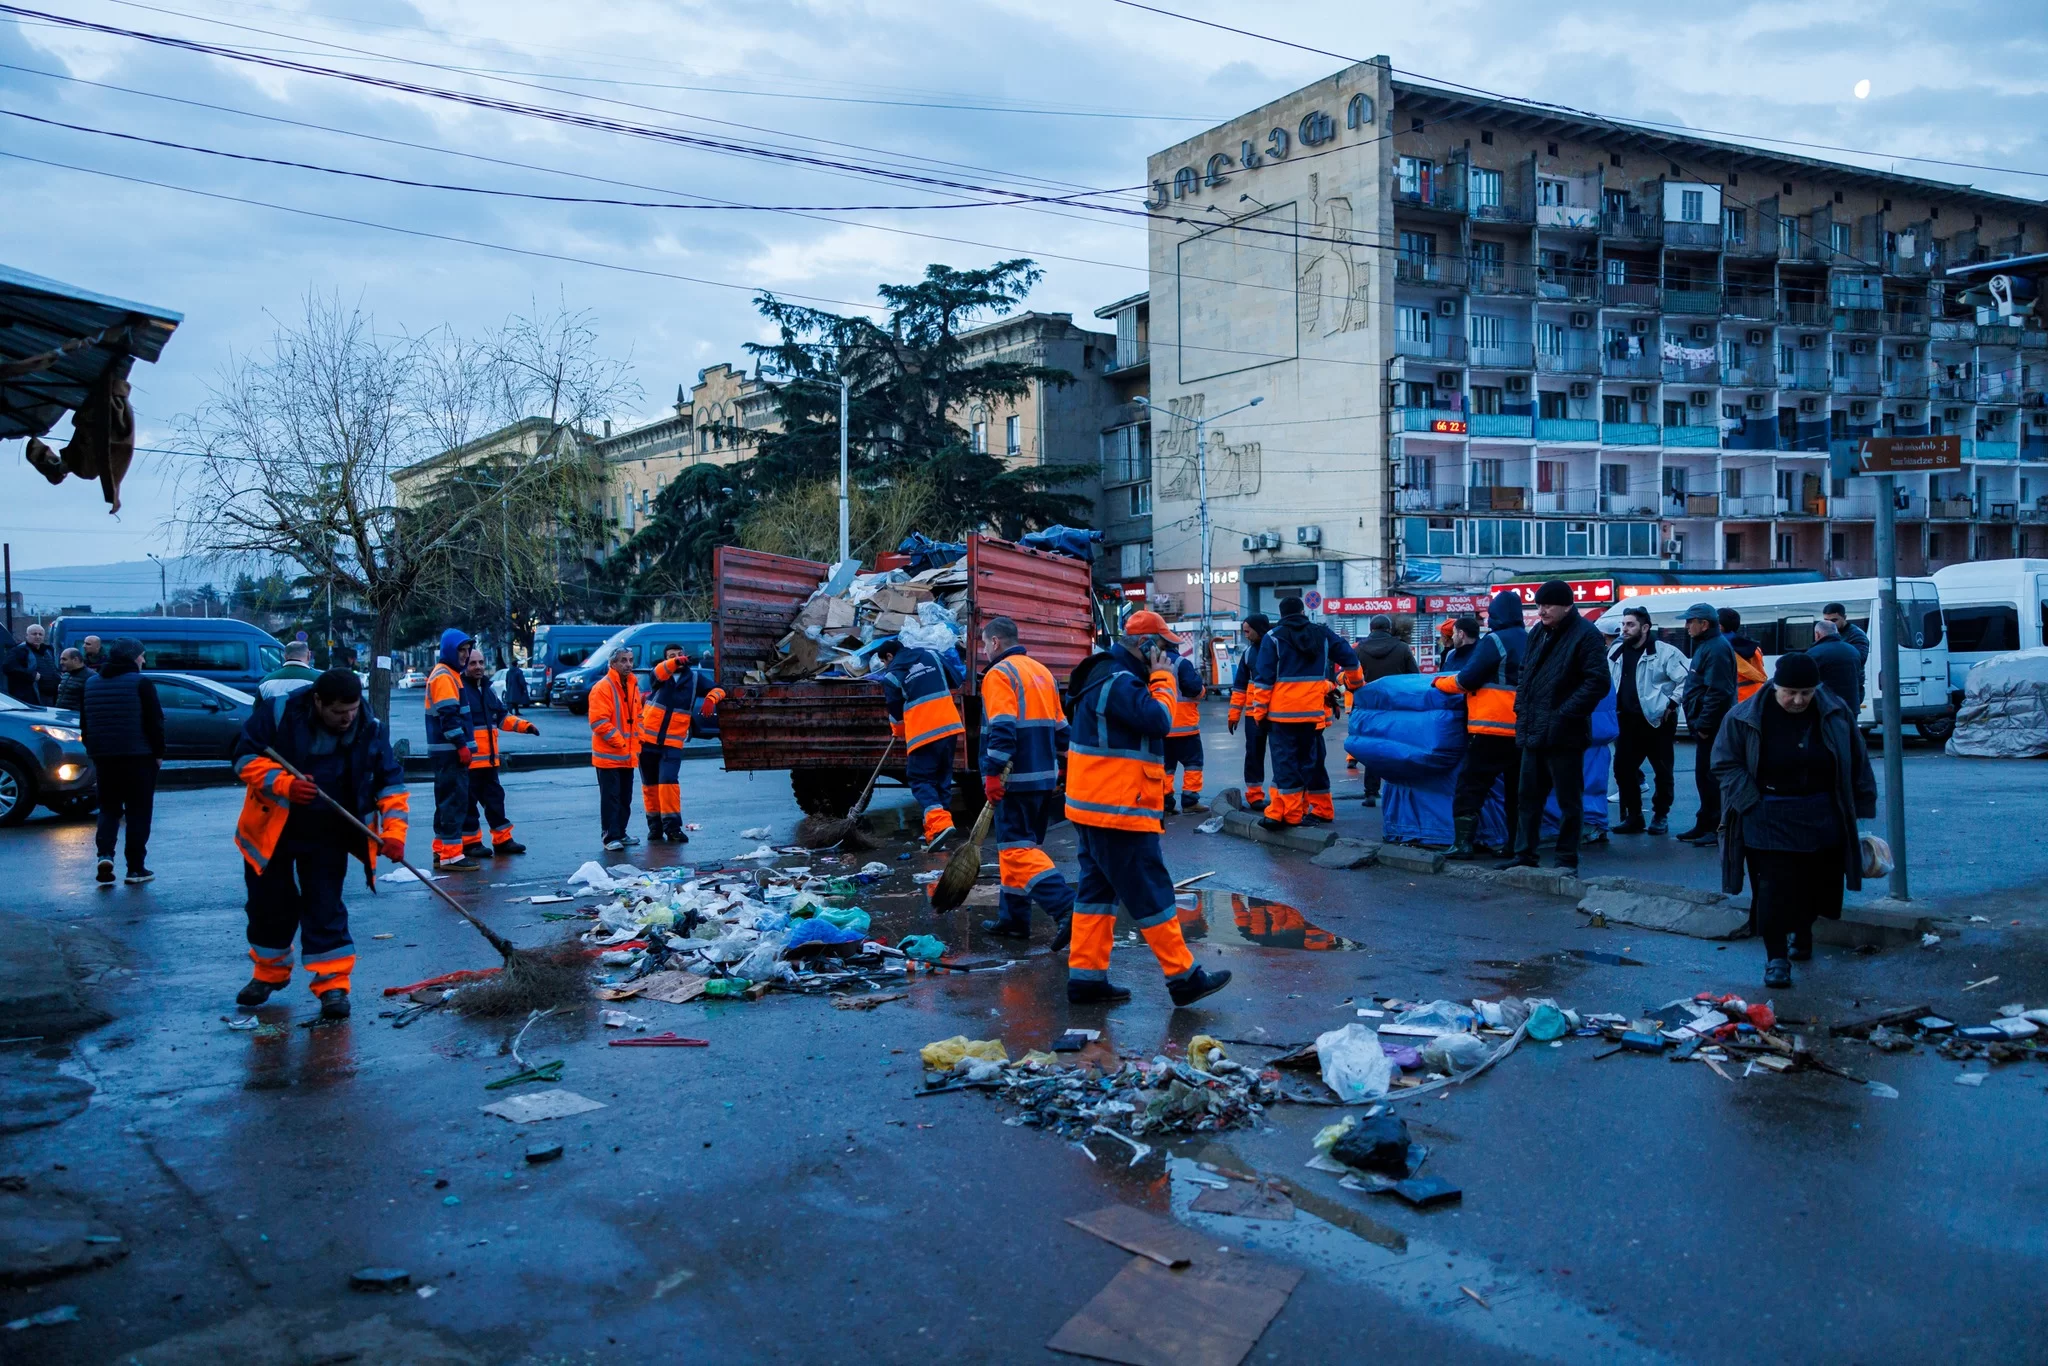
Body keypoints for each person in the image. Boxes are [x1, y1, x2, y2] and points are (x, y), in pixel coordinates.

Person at [1062, 612, 1230, 1008]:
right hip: (1118, 807)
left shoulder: (1108, 675)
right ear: (1146, 646)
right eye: (1166, 647)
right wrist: (1163, 678)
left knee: (1096, 895)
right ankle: (1184, 977)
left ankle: (1086, 980)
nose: (1171, 654)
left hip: (1097, 806)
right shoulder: (1119, 680)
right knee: (1151, 892)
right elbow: (1159, 720)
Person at [230, 669, 409, 1020]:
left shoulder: (370, 729)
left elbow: (390, 784)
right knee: (269, 906)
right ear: (317, 702)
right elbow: (243, 759)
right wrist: (285, 784)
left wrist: (394, 835)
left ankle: (333, 986)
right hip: (272, 829)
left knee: (325, 906)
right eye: (338, 712)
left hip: (328, 830)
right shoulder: (280, 714)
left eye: (353, 710)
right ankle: (268, 975)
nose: (347, 719)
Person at [1711, 652, 1876, 989]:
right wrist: (1750, 803)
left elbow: (1856, 757)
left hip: (1821, 813)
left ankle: (1803, 934)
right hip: (1767, 814)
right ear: (1775, 686)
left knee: (1818, 884)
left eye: (1806, 693)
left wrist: (1861, 802)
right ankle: (1776, 959)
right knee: (1773, 889)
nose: (1798, 700)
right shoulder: (1744, 716)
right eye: (1791, 693)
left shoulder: (1835, 711)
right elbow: (1725, 763)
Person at [1498, 580, 1609, 872]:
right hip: (1534, 728)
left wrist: (1563, 714)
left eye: (1548, 605)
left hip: (1566, 733)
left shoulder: (1586, 635)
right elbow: (1526, 673)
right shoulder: (1538, 632)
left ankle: (1566, 860)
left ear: (1566, 605)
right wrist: (1521, 708)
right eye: (1539, 605)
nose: (1542, 610)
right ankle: (1524, 855)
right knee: (1528, 798)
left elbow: (1597, 682)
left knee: (1568, 801)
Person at [976, 616, 1074, 943]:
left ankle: (1065, 907)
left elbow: (1002, 729)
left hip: (1014, 779)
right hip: (1044, 779)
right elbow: (1062, 730)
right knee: (1019, 850)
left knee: (1018, 850)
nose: (983, 649)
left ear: (995, 643)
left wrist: (992, 774)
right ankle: (1014, 919)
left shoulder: (998, 675)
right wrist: (1069, 766)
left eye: (983, 643)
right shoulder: (1041, 672)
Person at [1249, 596, 1361, 830]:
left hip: (1282, 716)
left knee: (1285, 764)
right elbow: (1351, 659)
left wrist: (1259, 714)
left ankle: (1290, 815)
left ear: (1280, 615)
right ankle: (1322, 809)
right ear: (1303, 611)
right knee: (1313, 763)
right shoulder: (1322, 634)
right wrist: (1355, 684)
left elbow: (1264, 681)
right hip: (1314, 714)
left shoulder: (1273, 637)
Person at [1437, 589, 1526, 861]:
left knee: (1471, 786)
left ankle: (1463, 844)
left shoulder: (1495, 640)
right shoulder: (1533, 638)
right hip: (1524, 727)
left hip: (1491, 726)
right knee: (1517, 790)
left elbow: (1467, 679)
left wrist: (1439, 682)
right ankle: (1515, 845)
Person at [80, 637, 163, 886]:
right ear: (131, 657)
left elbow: (85, 723)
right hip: (139, 757)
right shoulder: (141, 683)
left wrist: (94, 750)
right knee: (138, 812)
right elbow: (154, 722)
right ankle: (136, 868)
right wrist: (158, 753)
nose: (144, 659)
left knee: (108, 808)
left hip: (104, 758)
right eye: (141, 655)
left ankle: (105, 855)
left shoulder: (92, 683)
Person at [1607, 605, 1691, 836]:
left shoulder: (1665, 652)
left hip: (1657, 721)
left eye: (1630, 624)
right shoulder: (1616, 653)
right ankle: (1634, 817)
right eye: (1623, 624)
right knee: (1623, 770)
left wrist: (1672, 704)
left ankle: (1660, 815)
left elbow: (1687, 679)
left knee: (1662, 770)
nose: (1624, 629)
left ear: (1645, 627)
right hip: (1625, 720)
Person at [877, 636, 967, 849]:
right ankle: (938, 831)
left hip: (923, 732)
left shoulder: (891, 676)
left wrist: (898, 731)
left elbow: (896, 714)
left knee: (919, 779)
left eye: (883, 661)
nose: (884, 666)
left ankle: (940, 824)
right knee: (942, 778)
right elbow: (956, 679)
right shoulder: (931, 655)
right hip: (949, 725)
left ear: (890, 656)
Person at [638, 644, 720, 843]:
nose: (678, 658)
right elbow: (659, 671)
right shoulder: (659, 675)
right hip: (647, 740)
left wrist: (711, 698)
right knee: (650, 787)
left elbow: (718, 689)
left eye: (680, 655)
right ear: (665, 659)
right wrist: (673, 663)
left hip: (672, 743)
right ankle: (655, 828)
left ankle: (673, 829)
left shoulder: (694, 678)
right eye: (672, 656)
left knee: (668, 783)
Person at [459, 649, 537, 857]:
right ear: (464, 665)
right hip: (469, 762)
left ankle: (502, 840)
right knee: (469, 807)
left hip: (488, 762)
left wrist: (524, 726)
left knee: (495, 802)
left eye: (481, 662)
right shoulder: (460, 690)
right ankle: (471, 844)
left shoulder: (487, 689)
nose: (478, 667)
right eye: (472, 663)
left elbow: (501, 717)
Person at [1678, 603, 1737, 845]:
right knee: (1704, 777)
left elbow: (1718, 691)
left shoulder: (1716, 648)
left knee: (1712, 778)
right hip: (1704, 724)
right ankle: (1705, 823)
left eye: (1691, 621)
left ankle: (1716, 828)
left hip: (1711, 726)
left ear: (1705, 624)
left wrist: (1703, 724)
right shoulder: (1708, 646)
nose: (1686, 626)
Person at [1351, 613, 1419, 805]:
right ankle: (1397, 793)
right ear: (1389, 629)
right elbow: (1414, 677)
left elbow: (1350, 679)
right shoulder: (1402, 648)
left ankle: (1370, 793)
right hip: (1396, 707)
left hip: (1367, 707)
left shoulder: (1359, 650)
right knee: (1397, 748)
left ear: (1371, 629)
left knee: (1372, 748)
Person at [423, 629, 477, 870]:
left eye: (467, 650)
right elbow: (450, 718)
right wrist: (462, 746)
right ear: (449, 651)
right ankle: (452, 856)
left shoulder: (447, 674)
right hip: (451, 752)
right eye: (462, 651)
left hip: (446, 751)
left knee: (446, 801)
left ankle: (441, 850)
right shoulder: (445, 676)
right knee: (454, 802)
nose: (465, 655)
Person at [588, 645, 643, 851]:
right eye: (623, 660)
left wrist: (638, 740)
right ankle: (610, 836)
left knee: (625, 798)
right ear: (613, 664)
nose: (628, 664)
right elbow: (598, 721)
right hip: (610, 755)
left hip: (627, 754)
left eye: (630, 660)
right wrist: (621, 742)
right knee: (611, 799)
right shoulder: (603, 687)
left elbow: (638, 717)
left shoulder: (632, 685)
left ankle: (620, 832)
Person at [1226, 615, 1272, 808]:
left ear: (1258, 629)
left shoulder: (1275, 648)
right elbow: (1239, 687)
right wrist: (1234, 715)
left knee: (1281, 756)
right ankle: (1254, 796)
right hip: (1255, 715)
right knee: (1253, 754)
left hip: (1275, 712)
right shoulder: (1248, 654)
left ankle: (1283, 797)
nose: (1245, 635)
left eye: (1247, 631)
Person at [1162, 641, 1208, 815]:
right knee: (1193, 764)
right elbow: (1194, 688)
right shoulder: (1182, 663)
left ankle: (1165, 803)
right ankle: (1190, 801)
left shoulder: (1152, 664)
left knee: (1165, 767)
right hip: (1185, 726)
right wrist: (1203, 691)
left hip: (1162, 725)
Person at [1809, 619, 1864, 711]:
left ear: (1817, 634)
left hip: (1828, 707)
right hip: (1851, 706)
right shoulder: (1853, 650)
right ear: (1836, 632)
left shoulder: (1813, 653)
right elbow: (1860, 678)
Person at [1720, 608, 1767, 705]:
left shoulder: (1720, 648)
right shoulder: (1754, 647)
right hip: (1756, 695)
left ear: (1720, 627)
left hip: (1737, 698)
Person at [4, 623, 57, 706]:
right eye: (34, 634)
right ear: (27, 636)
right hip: (30, 698)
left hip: (50, 697)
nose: (37, 636)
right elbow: (8, 667)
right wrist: (31, 675)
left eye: (40, 634)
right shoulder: (18, 651)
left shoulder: (48, 651)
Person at [1824, 603, 1871, 672]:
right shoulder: (1829, 633)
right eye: (1826, 621)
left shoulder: (1857, 635)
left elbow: (1859, 660)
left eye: (1834, 620)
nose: (1829, 624)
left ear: (1844, 617)